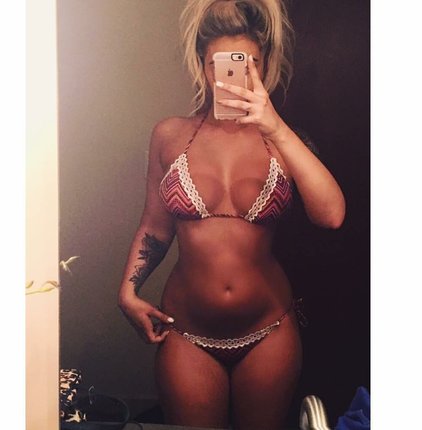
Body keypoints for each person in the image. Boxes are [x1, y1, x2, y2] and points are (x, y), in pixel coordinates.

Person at [118, 1, 346, 429]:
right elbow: (155, 226)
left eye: (249, 64)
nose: (232, 76)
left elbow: (331, 216)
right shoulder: (170, 135)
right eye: (218, 64)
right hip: (187, 334)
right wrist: (128, 292)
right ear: (202, 66)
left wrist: (274, 126)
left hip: (269, 331)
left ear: (264, 65)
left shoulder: (283, 141)